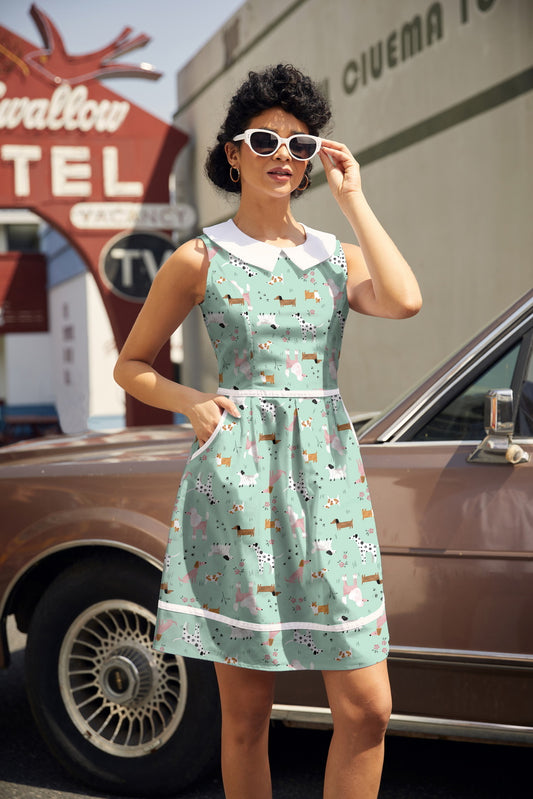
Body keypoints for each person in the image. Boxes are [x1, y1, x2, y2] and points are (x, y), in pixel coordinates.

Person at [114, 64, 422, 799]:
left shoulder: (332, 256)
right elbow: (132, 365)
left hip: (330, 484)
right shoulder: (199, 257)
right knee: (248, 714)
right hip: (238, 484)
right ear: (233, 153)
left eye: (299, 143)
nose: (282, 154)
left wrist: (354, 199)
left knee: (367, 708)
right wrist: (192, 401)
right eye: (264, 140)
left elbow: (406, 299)